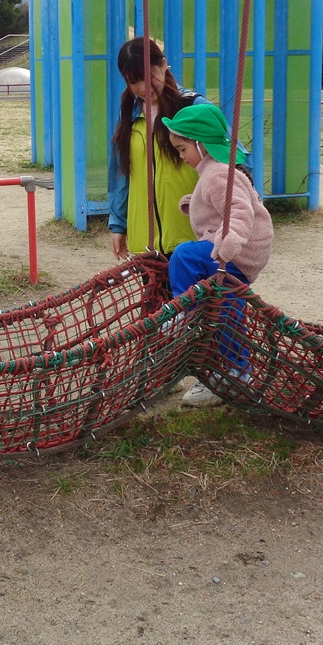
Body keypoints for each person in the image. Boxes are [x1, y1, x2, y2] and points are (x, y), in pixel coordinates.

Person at [163, 101, 275, 407]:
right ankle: (237, 372)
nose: (180, 156)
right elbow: (220, 202)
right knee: (227, 309)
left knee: (184, 255)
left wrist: (230, 242)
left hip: (237, 251)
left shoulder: (217, 174)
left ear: (201, 144)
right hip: (239, 250)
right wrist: (194, 203)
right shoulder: (214, 172)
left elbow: (240, 210)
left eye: (182, 148)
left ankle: (182, 312)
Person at [108, 37, 204, 260]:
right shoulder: (128, 115)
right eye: (134, 81)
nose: (143, 88)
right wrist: (119, 224)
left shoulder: (193, 108)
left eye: (149, 76)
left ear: (163, 65)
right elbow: (121, 173)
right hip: (145, 242)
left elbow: (234, 160)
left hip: (191, 238)